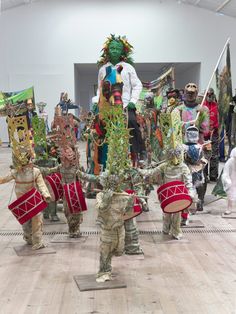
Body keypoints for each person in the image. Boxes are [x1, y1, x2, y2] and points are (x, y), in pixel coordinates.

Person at [97, 34, 144, 166]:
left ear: (122, 51)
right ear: (107, 50)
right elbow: (100, 89)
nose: (115, 51)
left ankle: (139, 153)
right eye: (112, 48)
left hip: (125, 105)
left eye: (117, 48)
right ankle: (100, 160)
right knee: (98, 128)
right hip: (107, 106)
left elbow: (137, 85)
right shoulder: (102, 69)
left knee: (133, 123)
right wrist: (98, 103)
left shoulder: (128, 68)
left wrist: (132, 101)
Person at [138, 146, 194, 240]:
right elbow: (152, 172)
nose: (174, 158)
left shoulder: (183, 167)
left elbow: (188, 182)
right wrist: (140, 171)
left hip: (178, 196)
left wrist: (190, 194)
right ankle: (166, 229)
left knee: (176, 213)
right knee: (166, 212)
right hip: (167, 195)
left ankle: (176, 231)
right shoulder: (164, 166)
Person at [0, 147, 51, 249]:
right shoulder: (16, 172)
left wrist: (46, 194)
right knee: (25, 223)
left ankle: (38, 241)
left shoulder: (35, 172)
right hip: (21, 201)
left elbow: (41, 184)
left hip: (33, 200)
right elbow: (4, 179)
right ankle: (28, 238)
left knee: (37, 220)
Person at [203, 88, 219, 181]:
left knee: (214, 155)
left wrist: (216, 127)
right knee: (205, 155)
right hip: (204, 135)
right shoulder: (202, 106)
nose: (209, 96)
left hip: (214, 134)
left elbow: (218, 119)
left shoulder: (216, 106)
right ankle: (204, 175)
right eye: (208, 94)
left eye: (211, 94)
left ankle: (213, 175)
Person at [222, 147, 236, 215]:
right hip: (232, 178)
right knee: (230, 192)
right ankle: (229, 208)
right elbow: (225, 173)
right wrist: (227, 181)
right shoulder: (230, 161)